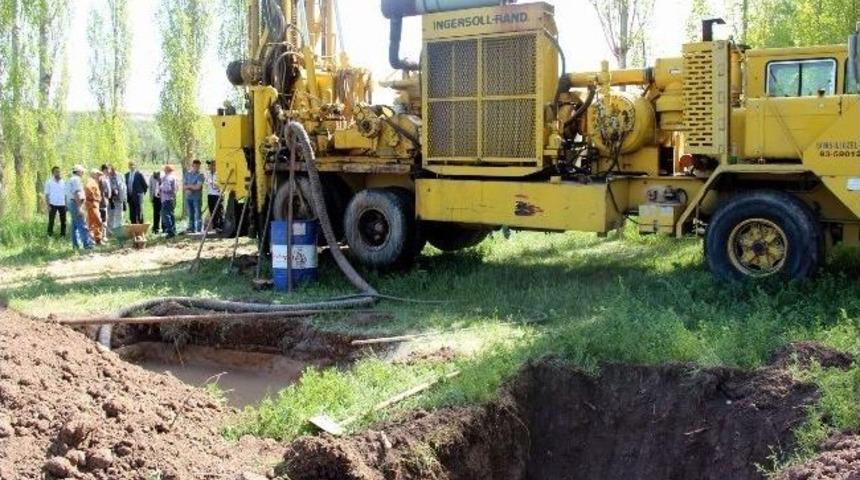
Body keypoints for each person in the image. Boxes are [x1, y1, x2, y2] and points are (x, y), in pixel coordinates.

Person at [65, 165, 93, 250]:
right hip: (75, 203)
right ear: (78, 171)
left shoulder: (70, 179)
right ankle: (87, 244)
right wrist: (79, 207)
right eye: (82, 171)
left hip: (71, 203)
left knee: (74, 226)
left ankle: (75, 245)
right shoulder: (76, 179)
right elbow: (76, 193)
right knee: (82, 223)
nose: (83, 173)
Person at [44, 166, 67, 238]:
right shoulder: (49, 182)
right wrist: (48, 205)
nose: (58, 173)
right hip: (52, 204)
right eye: (56, 171)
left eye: (59, 171)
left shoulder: (63, 181)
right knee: (51, 220)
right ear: (53, 173)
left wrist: (66, 204)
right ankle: (49, 235)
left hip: (62, 204)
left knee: (63, 221)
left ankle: (63, 235)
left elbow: (65, 194)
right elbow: (47, 194)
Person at [183, 160, 204, 234]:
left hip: (197, 197)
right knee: (190, 213)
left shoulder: (200, 175)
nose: (197, 168)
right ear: (192, 166)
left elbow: (198, 187)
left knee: (198, 213)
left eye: (198, 167)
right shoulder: (187, 174)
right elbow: (183, 185)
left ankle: (199, 229)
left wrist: (189, 187)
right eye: (195, 166)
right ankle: (192, 228)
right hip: (188, 197)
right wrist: (190, 187)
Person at [85, 170, 105, 245]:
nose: (99, 177)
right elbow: (87, 189)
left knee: (93, 222)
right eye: (98, 175)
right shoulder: (91, 181)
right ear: (94, 174)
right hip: (93, 203)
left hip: (94, 203)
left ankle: (96, 239)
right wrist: (94, 197)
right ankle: (96, 239)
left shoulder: (94, 181)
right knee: (97, 222)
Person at [160, 165, 178, 238]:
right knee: (171, 214)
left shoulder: (167, 178)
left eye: (165, 169)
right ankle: (173, 229)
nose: (164, 170)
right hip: (171, 198)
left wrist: (161, 189)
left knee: (166, 215)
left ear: (167, 170)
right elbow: (176, 188)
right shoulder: (174, 177)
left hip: (166, 199)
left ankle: (170, 231)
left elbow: (167, 189)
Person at [204, 160, 222, 231]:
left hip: (217, 195)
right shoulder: (207, 174)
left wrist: (215, 185)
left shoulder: (219, 174)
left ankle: (220, 225)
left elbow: (220, 185)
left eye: (212, 165)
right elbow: (206, 182)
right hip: (210, 194)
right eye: (209, 165)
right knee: (212, 211)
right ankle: (215, 226)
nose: (210, 167)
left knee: (218, 211)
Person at [107, 165, 126, 231]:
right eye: (111, 171)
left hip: (119, 198)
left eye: (114, 171)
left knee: (119, 214)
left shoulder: (120, 175)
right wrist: (113, 189)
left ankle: (119, 229)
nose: (113, 173)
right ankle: (110, 230)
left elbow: (123, 187)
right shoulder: (107, 177)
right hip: (110, 199)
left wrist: (124, 198)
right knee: (110, 215)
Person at [98, 164, 112, 239]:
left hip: (106, 200)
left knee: (105, 217)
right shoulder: (101, 178)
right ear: (104, 170)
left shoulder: (106, 178)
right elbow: (102, 191)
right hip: (102, 201)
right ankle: (103, 236)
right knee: (103, 218)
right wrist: (104, 200)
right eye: (107, 170)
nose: (109, 171)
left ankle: (103, 235)